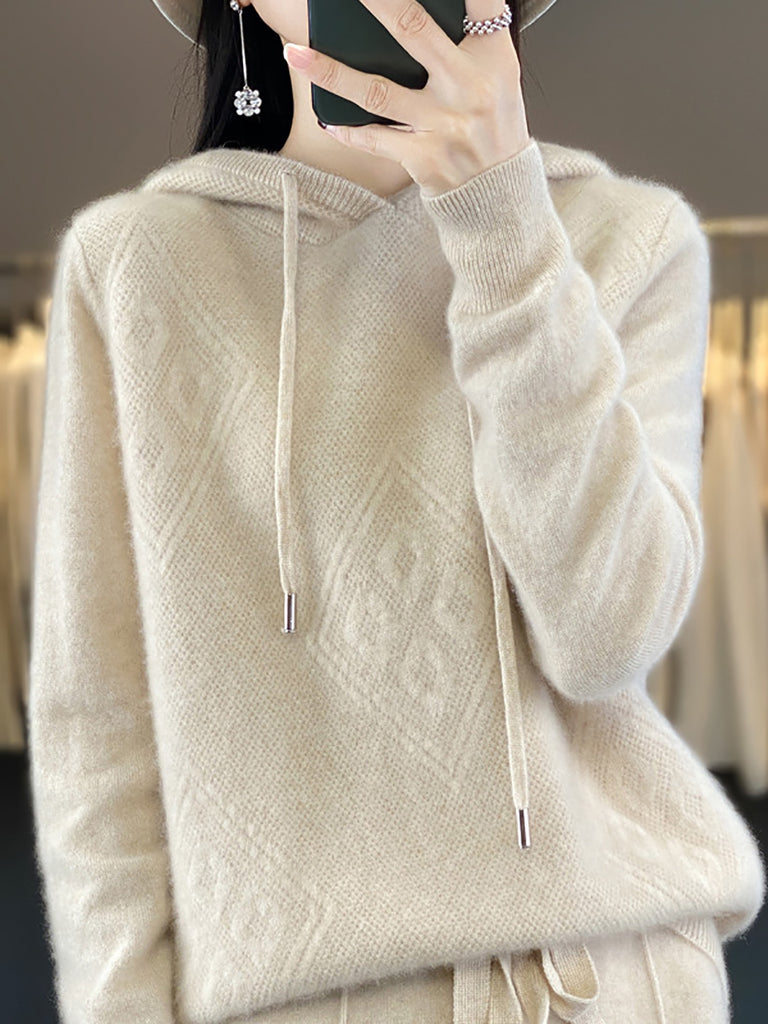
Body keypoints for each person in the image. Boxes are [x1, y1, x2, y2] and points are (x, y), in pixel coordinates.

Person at [26, 1, 765, 1022]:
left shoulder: (626, 238)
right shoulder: (133, 264)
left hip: (597, 977)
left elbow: (608, 637)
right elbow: (98, 720)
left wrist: (503, 225)